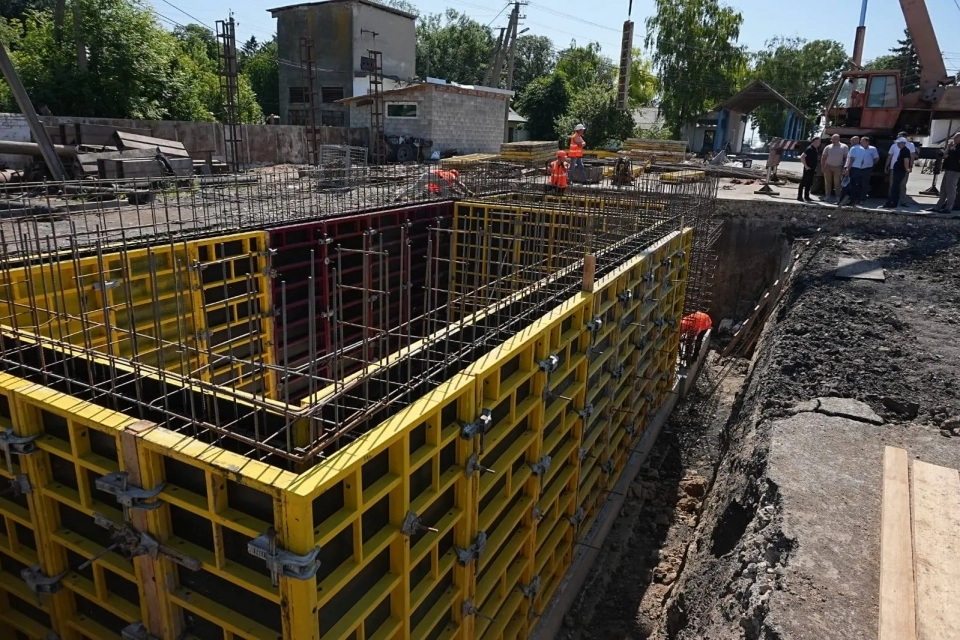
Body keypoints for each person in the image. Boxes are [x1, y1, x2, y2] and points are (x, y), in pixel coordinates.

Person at [842, 136, 879, 206]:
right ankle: (856, 199)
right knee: (857, 184)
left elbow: (876, 158)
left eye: (862, 141)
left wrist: (871, 164)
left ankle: (862, 199)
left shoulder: (872, 149)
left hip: (867, 169)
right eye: (861, 141)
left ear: (867, 142)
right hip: (858, 168)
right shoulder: (859, 148)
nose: (861, 142)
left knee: (864, 184)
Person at [396, 168, 472, 201]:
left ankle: (399, 197)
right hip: (436, 177)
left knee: (414, 188)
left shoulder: (445, 173)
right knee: (445, 193)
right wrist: (467, 192)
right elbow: (460, 184)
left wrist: (459, 193)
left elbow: (450, 188)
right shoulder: (452, 175)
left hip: (427, 174)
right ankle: (443, 203)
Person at [930, 133, 960, 213]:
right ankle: (938, 206)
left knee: (951, 189)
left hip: (955, 170)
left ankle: (948, 207)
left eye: (956, 137)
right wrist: (948, 147)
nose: (954, 139)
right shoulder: (953, 146)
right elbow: (944, 155)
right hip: (948, 168)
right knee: (943, 189)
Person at [887, 131, 917, 205]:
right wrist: (887, 165)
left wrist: (910, 166)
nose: (897, 136)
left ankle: (903, 201)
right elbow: (890, 156)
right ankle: (890, 199)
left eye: (899, 135)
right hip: (893, 167)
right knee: (892, 184)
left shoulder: (910, 145)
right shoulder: (894, 145)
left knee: (902, 184)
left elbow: (912, 156)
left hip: (904, 168)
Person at [882, 137, 912, 209]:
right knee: (894, 187)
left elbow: (906, 160)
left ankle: (892, 202)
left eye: (899, 143)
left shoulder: (906, 151)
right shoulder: (902, 150)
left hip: (900, 171)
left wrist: (907, 169)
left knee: (896, 187)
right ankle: (892, 202)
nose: (898, 144)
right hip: (897, 170)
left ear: (903, 143)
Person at [820, 134, 848, 201]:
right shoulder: (828, 147)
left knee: (837, 182)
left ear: (838, 139)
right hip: (828, 166)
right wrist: (822, 166)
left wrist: (844, 167)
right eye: (832, 139)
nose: (833, 140)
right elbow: (823, 157)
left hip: (838, 167)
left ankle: (838, 196)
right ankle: (827, 195)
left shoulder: (844, 147)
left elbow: (846, 158)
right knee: (827, 182)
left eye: (834, 139)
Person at [797, 136, 821, 203]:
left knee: (809, 183)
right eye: (818, 142)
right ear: (814, 141)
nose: (819, 143)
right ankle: (799, 196)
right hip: (808, 169)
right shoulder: (809, 149)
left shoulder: (815, 149)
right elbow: (802, 157)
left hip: (812, 169)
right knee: (803, 182)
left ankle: (807, 196)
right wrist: (806, 166)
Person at [837, 136, 860, 204]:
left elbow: (852, 159)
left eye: (851, 141)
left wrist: (847, 169)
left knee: (845, 185)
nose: (851, 142)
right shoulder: (862, 149)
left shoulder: (853, 148)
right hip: (858, 168)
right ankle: (852, 201)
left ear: (854, 141)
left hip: (851, 168)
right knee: (854, 186)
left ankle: (841, 201)